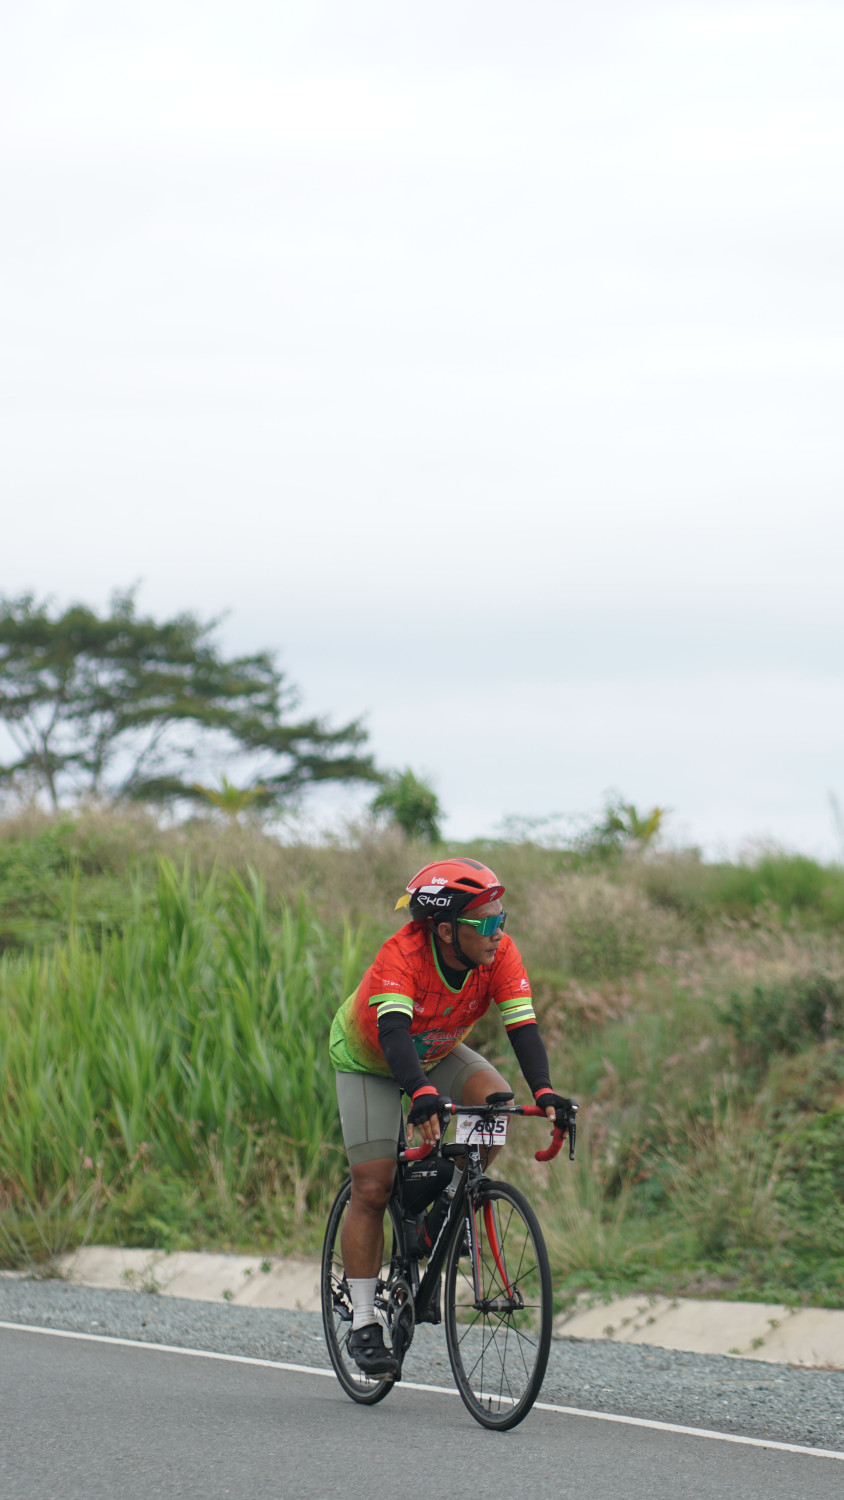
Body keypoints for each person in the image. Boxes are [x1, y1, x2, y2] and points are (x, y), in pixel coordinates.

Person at [328, 856, 571, 1379]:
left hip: (436, 1050)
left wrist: (546, 1092)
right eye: (485, 922)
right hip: (371, 1058)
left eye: (501, 919)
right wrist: (419, 1092)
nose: (497, 931)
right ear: (444, 929)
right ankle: (364, 1320)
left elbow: (522, 1027)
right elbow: (394, 1033)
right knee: (373, 1186)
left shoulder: (498, 953)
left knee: (496, 1102)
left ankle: (443, 1212)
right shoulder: (402, 954)